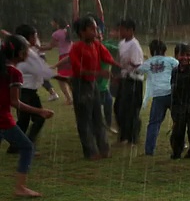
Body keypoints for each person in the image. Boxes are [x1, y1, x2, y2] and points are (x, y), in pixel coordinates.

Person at [0, 35, 55, 197]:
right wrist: (40, 111)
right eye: (26, 50)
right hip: (3, 120)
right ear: (19, 53)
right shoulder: (13, 73)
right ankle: (20, 187)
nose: (28, 52)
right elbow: (15, 102)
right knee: (27, 147)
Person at [69, 16, 120, 160]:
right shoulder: (76, 48)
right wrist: (99, 73)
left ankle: (104, 149)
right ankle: (90, 152)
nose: (96, 31)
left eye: (96, 28)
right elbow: (78, 70)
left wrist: (121, 67)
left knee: (98, 117)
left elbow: (108, 58)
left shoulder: (96, 44)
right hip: (80, 85)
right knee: (84, 119)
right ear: (82, 32)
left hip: (93, 84)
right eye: (92, 29)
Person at [5, 25, 57, 155]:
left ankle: (16, 146)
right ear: (27, 38)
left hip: (27, 91)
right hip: (25, 91)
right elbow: (43, 70)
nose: (36, 38)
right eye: (34, 36)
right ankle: (26, 145)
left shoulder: (26, 52)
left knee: (23, 121)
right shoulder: (27, 54)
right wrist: (64, 78)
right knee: (37, 118)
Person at [138, 40, 179, 156]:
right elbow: (180, 67)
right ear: (165, 50)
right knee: (178, 120)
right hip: (171, 93)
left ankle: (149, 149)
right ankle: (179, 143)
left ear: (151, 51)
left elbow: (138, 70)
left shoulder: (149, 62)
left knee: (154, 123)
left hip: (158, 96)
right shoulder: (170, 60)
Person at [116, 18, 144, 145]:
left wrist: (130, 65)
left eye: (122, 29)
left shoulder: (135, 45)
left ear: (130, 30)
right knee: (119, 108)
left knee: (131, 110)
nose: (120, 32)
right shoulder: (122, 43)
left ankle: (132, 137)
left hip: (133, 81)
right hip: (125, 79)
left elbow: (137, 65)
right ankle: (124, 135)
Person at [39, 17, 73, 104]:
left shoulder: (56, 34)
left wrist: (38, 47)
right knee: (70, 78)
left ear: (57, 23)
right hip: (72, 56)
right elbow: (58, 44)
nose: (51, 23)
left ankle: (69, 99)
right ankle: (74, 97)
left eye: (52, 21)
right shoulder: (68, 31)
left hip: (63, 57)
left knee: (61, 79)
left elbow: (50, 47)